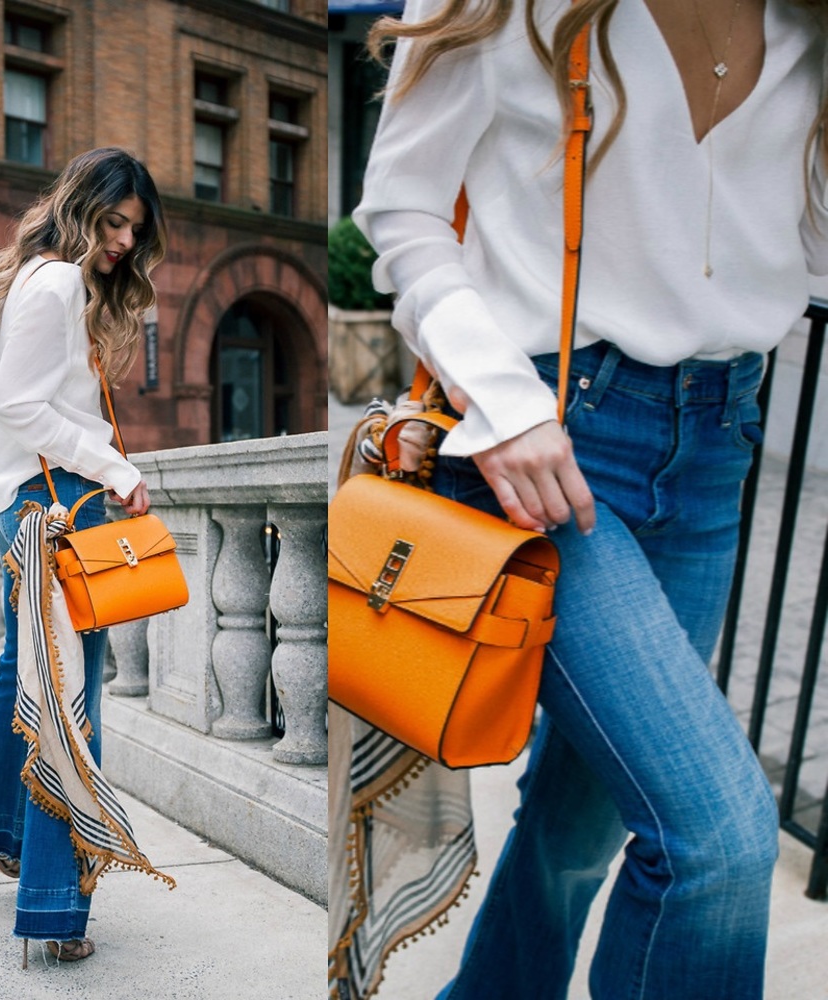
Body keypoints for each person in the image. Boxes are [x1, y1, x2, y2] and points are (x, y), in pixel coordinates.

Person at [329, 1, 828, 997]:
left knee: (578, 823)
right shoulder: (503, 6)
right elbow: (403, 212)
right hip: (546, 444)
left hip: (718, 443)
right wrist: (500, 399)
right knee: (720, 837)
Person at [0, 146, 167, 965]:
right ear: (82, 208)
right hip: (51, 510)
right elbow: (13, 399)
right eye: (113, 222)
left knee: (28, 678)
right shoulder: (59, 282)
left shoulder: (27, 276)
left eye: (133, 229)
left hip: (16, 501)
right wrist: (111, 461)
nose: (121, 242)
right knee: (71, 709)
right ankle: (54, 908)